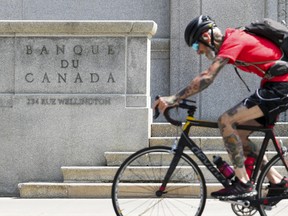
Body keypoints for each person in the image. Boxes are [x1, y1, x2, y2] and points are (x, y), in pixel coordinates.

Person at [153, 15, 288, 199]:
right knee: (239, 135)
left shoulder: (234, 40)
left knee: (226, 121)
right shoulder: (233, 39)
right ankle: (277, 181)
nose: (198, 52)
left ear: (206, 37)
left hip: (280, 87)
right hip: (275, 87)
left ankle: (243, 184)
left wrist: (174, 99)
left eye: (195, 46)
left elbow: (207, 77)